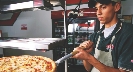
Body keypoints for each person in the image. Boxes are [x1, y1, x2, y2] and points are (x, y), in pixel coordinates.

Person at [72, 0, 133, 72]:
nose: (98, 12)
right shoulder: (95, 36)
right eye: (96, 9)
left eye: (103, 7)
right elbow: (89, 68)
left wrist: (89, 58)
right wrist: (86, 55)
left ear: (116, 7)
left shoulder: (128, 33)